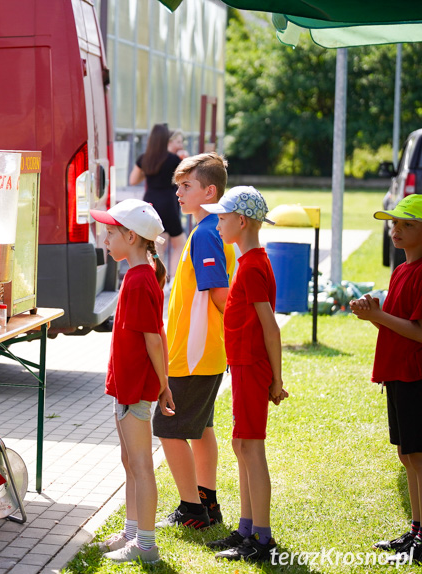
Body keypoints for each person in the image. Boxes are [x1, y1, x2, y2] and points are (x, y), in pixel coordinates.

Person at [201, 186, 288, 561]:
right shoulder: (247, 261)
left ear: (241, 221)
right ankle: (247, 528)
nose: (217, 224)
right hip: (243, 366)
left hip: (252, 367)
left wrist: (276, 379)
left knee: (252, 448)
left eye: (221, 218)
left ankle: (262, 539)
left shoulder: (252, 266)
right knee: (241, 445)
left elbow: (271, 327)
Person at [90, 199, 175, 565]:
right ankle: (130, 531)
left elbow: (154, 338)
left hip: (135, 389)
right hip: (127, 386)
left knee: (141, 464)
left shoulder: (141, 280)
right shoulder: (142, 272)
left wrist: (164, 383)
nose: (105, 239)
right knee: (130, 461)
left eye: (111, 233)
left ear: (131, 236)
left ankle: (146, 545)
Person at [154, 152, 235, 530]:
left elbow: (221, 295)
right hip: (202, 354)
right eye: (177, 186)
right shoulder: (208, 229)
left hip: (193, 356)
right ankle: (208, 505)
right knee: (202, 430)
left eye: (186, 186)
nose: (178, 193)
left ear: (210, 191)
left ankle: (192, 508)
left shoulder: (206, 234)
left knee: (168, 429)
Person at [350, 194, 422, 565]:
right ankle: (416, 530)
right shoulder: (401, 270)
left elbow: (418, 330)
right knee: (406, 454)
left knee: (418, 456)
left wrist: (377, 318)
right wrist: (373, 310)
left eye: (407, 224)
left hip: (415, 375)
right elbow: (395, 317)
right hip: (397, 374)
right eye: (394, 222)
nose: (395, 229)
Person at [129, 124, 186, 275]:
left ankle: (156, 278)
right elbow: (183, 178)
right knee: (179, 243)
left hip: (150, 203)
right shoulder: (173, 159)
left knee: (157, 244)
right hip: (168, 203)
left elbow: (133, 180)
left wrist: (147, 173)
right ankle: (172, 279)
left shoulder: (144, 159)